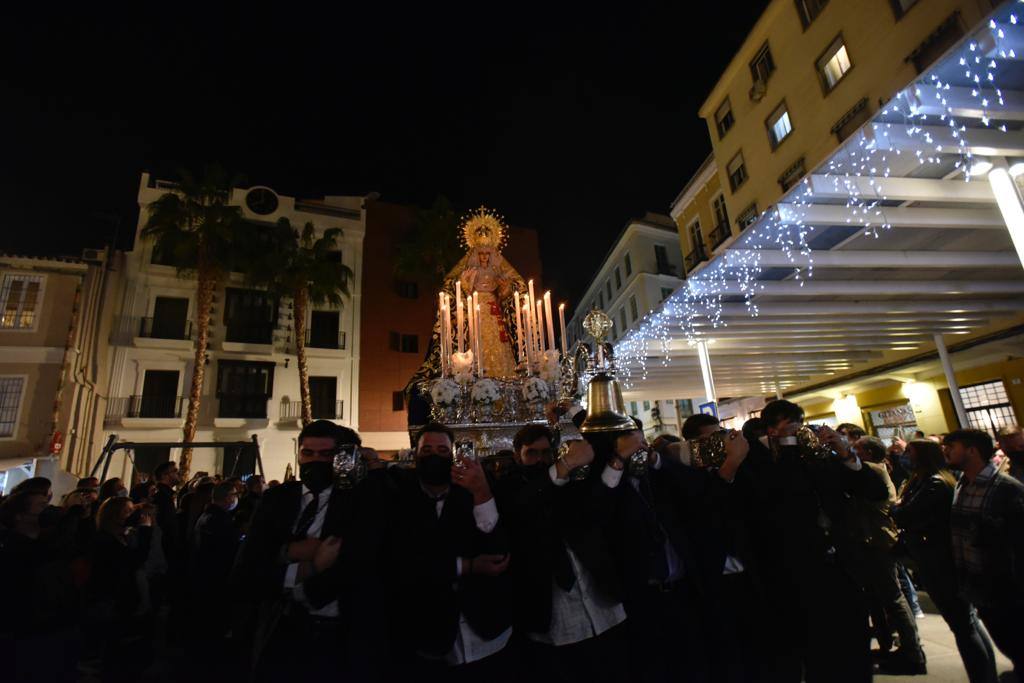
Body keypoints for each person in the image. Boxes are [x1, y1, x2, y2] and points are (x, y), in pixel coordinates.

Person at [742, 400, 888, 683]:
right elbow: (777, 501)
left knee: (854, 652)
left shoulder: (821, 458)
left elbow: (875, 491)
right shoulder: (759, 462)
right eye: (788, 427)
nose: (798, 432)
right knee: (814, 654)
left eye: (800, 424)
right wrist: (788, 449)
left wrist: (846, 454)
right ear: (771, 430)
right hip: (794, 574)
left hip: (843, 567)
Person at [235, 420, 387, 681]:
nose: (315, 461)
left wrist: (371, 467)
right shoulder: (276, 499)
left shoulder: (360, 500)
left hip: (339, 636)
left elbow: (356, 563)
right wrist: (305, 561)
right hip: (280, 629)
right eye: (308, 453)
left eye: (326, 454)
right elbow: (246, 571)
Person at [494, 424, 627, 682]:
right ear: (516, 456)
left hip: (599, 597)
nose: (540, 460)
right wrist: (564, 465)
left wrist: (617, 460)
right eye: (532, 453)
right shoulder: (508, 487)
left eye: (546, 454)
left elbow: (595, 510)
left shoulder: (570, 481)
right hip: (553, 611)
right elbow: (523, 506)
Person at [385, 422, 513, 681]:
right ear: (415, 455)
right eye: (427, 450)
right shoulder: (399, 500)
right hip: (430, 638)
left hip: (488, 631)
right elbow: (402, 564)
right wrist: (468, 566)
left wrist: (481, 492)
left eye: (443, 450)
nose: (434, 456)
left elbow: (498, 552)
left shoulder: (475, 492)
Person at [894, 439, 997, 683]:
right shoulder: (931, 481)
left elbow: (905, 514)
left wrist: (898, 509)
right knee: (966, 624)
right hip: (937, 557)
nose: (905, 456)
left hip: (939, 560)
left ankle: (983, 677)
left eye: (910, 451)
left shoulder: (935, 484)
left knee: (963, 626)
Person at [945, 428, 1024, 675]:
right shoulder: (962, 484)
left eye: (952, 446)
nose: (945, 451)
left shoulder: (1005, 488)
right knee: (1004, 640)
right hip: (977, 583)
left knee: (1017, 641)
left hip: (1005, 586)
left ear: (972, 450)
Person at [846, 435, 925, 674]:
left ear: (868, 453)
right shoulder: (877, 468)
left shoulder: (870, 470)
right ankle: (898, 646)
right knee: (887, 596)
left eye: (857, 449)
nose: (853, 452)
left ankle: (912, 652)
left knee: (893, 597)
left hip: (878, 541)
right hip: (876, 539)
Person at [86, 496, 155, 681]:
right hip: (112, 597)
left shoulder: (122, 536)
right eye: (128, 511)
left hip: (123, 596)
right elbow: (133, 561)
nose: (132, 515)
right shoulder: (105, 540)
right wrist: (146, 531)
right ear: (114, 516)